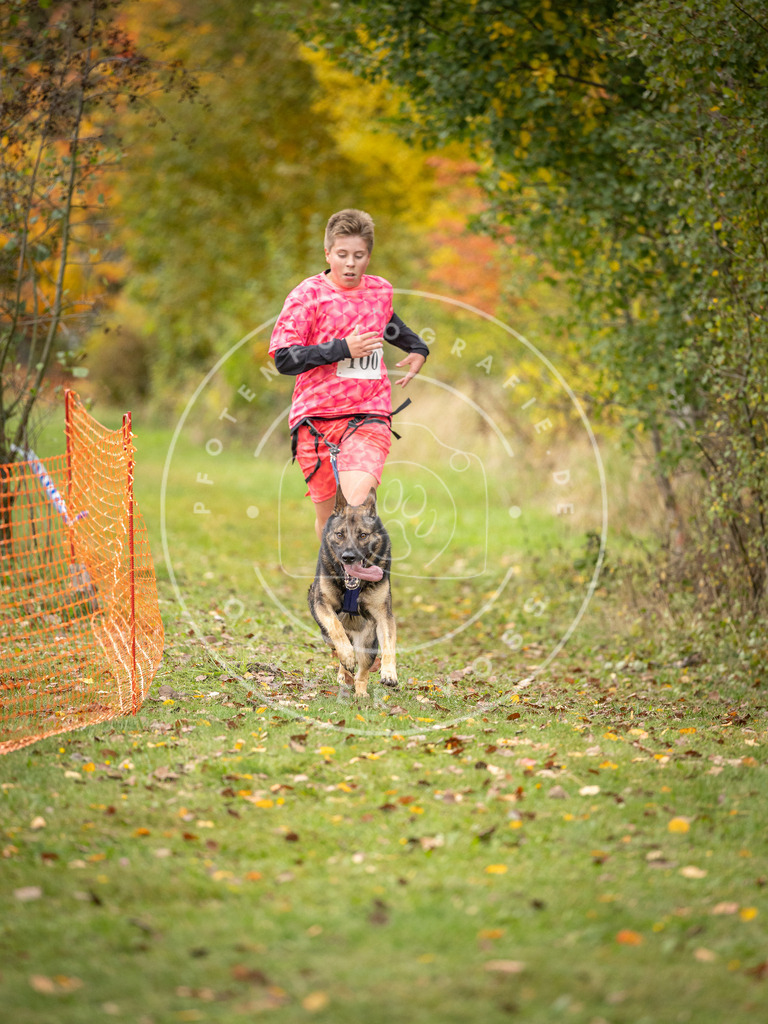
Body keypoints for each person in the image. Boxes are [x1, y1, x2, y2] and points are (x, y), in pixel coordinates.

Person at [269, 209, 429, 539]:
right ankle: (338, 575)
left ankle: (356, 563)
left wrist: (417, 347)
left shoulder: (379, 290)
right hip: (316, 418)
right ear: (328, 253)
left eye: (359, 255)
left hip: (369, 412)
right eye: (342, 255)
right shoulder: (307, 296)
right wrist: (343, 348)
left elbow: (387, 321)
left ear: (369, 256)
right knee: (329, 519)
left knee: (356, 504)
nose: (351, 264)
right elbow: (284, 359)